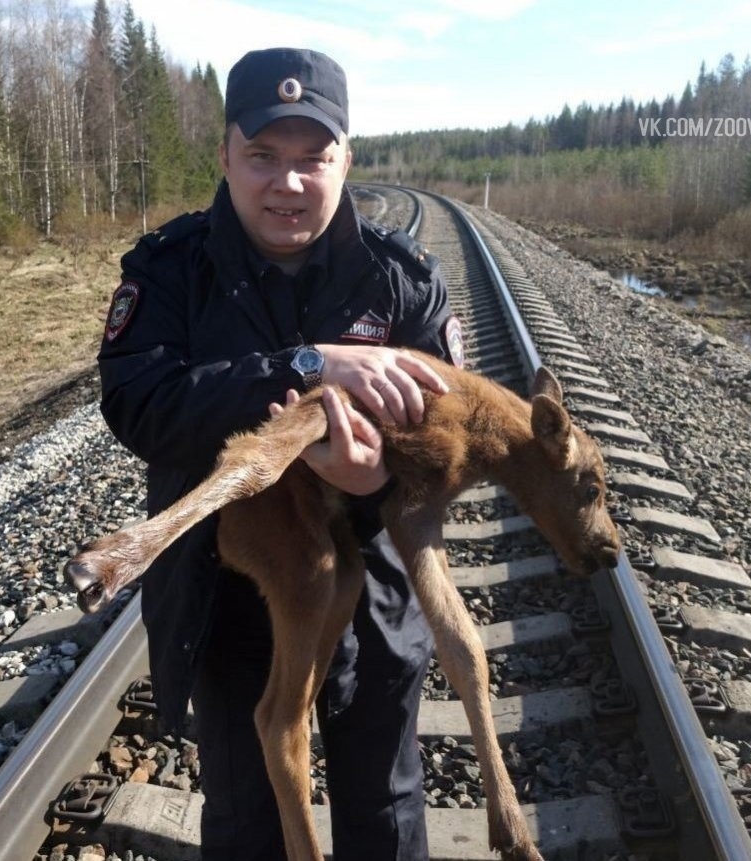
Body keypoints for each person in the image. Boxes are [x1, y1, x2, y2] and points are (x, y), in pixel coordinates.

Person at [97, 46, 464, 861]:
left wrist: (371, 479)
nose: (287, 184)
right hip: (228, 596)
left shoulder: (401, 283)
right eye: (263, 156)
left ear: (346, 160)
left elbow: (446, 449)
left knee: (384, 814)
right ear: (225, 154)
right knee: (248, 818)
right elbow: (138, 403)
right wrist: (308, 364)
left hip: (372, 593)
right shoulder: (169, 273)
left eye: (312, 159)